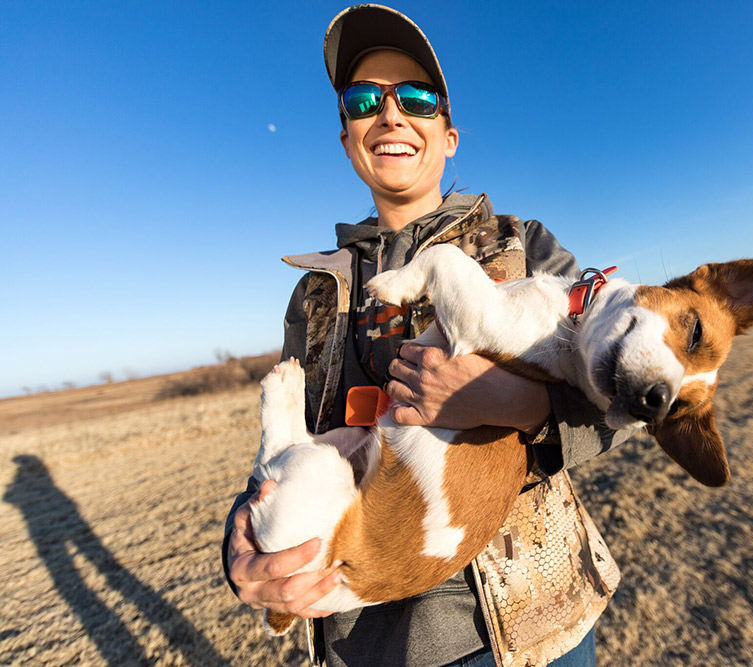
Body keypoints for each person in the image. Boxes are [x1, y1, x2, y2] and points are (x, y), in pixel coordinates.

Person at [223, 6, 631, 666]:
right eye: (363, 100)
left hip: (534, 629)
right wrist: (239, 540)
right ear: (346, 138)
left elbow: (630, 394)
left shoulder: (523, 247)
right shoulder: (314, 294)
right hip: (368, 642)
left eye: (415, 97)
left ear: (448, 136)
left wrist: (518, 404)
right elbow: (281, 447)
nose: (390, 115)